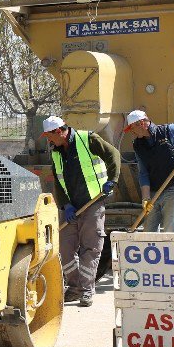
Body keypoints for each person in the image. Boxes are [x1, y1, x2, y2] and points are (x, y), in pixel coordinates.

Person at [42, 115, 120, 307]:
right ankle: (75, 287)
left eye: (49, 136)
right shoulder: (56, 152)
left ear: (59, 131)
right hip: (71, 207)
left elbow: (114, 155)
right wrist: (66, 204)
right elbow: (58, 181)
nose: (48, 140)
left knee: (90, 248)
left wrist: (113, 179)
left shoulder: (88, 140)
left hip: (92, 203)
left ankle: (86, 290)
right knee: (65, 249)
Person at [125, 110, 174, 233]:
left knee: (170, 230)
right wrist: (146, 198)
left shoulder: (167, 131)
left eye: (132, 128)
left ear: (142, 124)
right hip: (154, 191)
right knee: (149, 232)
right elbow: (143, 172)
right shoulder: (138, 145)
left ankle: (172, 251)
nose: (132, 132)